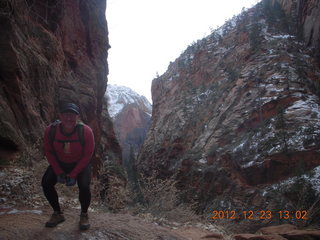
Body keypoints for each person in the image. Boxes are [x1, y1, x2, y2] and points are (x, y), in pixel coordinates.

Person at [41, 102, 95, 230]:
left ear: (78, 117)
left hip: (80, 164)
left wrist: (73, 174)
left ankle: (84, 214)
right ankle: (57, 213)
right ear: (60, 115)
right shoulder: (51, 130)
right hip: (60, 163)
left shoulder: (86, 132)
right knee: (46, 183)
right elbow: (49, 152)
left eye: (72, 115)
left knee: (84, 186)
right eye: (66, 114)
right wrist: (58, 171)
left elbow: (87, 156)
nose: (69, 118)